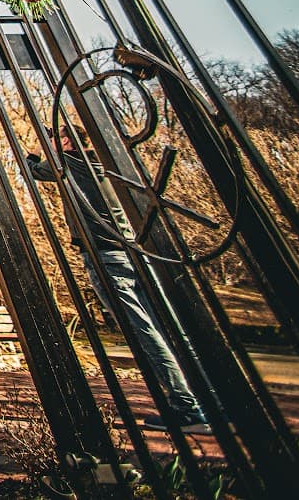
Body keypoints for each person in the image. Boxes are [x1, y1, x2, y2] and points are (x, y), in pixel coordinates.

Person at [27, 137, 213, 435]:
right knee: (169, 328)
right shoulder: (106, 162)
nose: (51, 140)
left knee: (144, 332)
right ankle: (212, 401)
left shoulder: (70, 162)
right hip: (136, 252)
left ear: (67, 141)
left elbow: (34, 171)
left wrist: (32, 155)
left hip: (106, 257)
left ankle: (187, 407)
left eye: (55, 136)